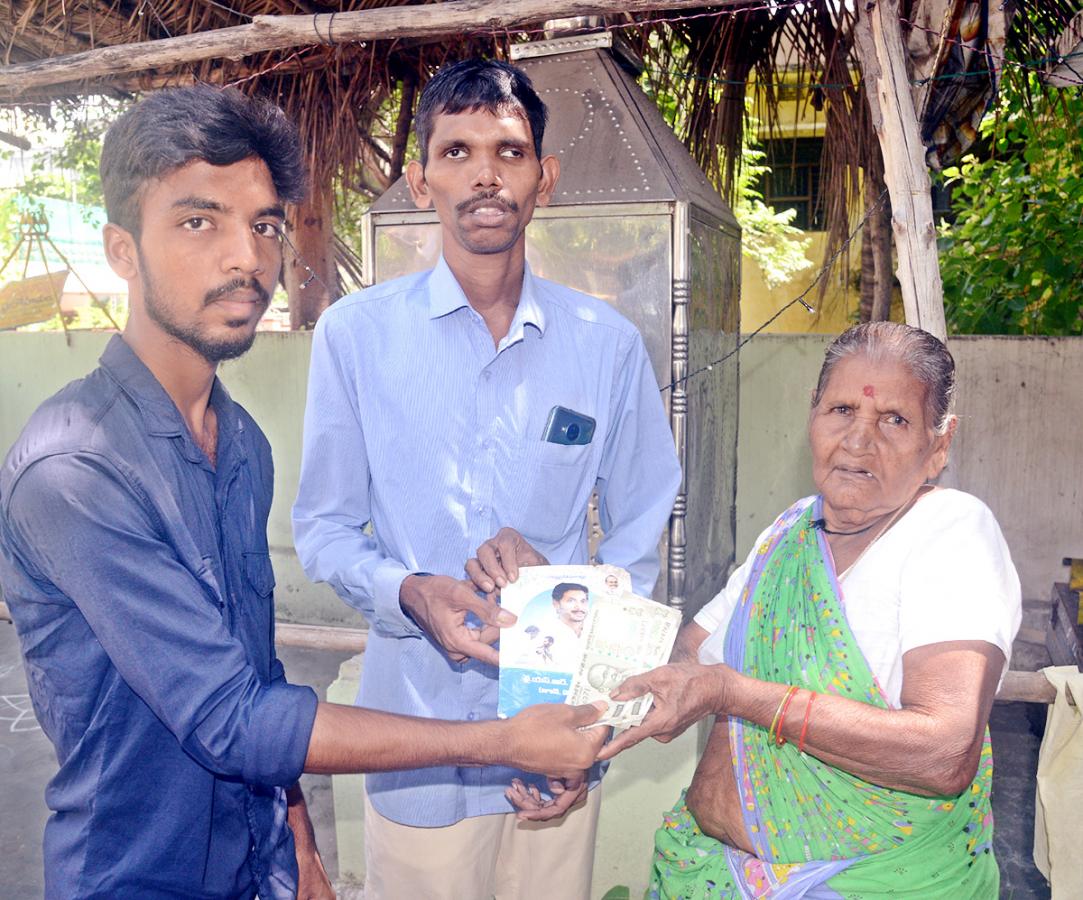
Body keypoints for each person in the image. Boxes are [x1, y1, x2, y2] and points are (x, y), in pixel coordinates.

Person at [0, 84, 606, 900]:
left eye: (263, 225)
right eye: (197, 221)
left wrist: (300, 845)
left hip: (254, 866)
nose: (245, 257)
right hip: (136, 875)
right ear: (119, 250)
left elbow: (254, 671)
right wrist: (505, 738)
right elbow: (233, 721)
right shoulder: (74, 469)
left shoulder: (238, 440)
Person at [292, 59, 681, 899]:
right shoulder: (355, 337)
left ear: (544, 177)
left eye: (508, 152)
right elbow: (321, 529)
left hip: (553, 744)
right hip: (418, 747)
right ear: (420, 177)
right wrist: (411, 591)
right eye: (457, 150)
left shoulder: (605, 346)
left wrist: (597, 716)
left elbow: (640, 538)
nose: (484, 175)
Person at [597, 322, 1022, 897]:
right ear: (812, 417)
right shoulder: (790, 531)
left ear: (938, 446)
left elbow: (943, 752)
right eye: (841, 409)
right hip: (707, 872)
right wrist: (556, 612)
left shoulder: (949, 532)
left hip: (872, 883)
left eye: (894, 420)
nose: (858, 440)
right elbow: (685, 656)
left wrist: (734, 693)